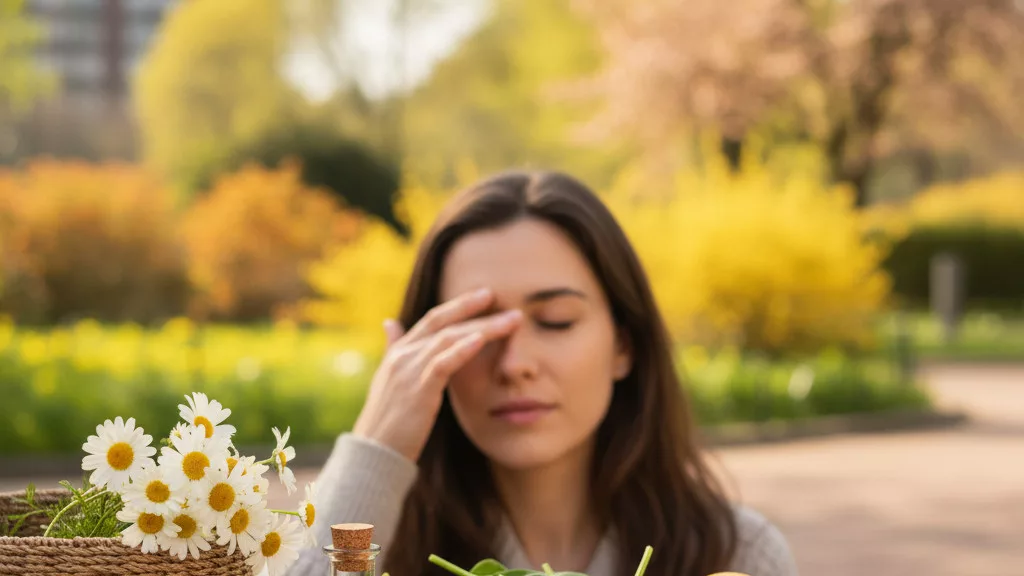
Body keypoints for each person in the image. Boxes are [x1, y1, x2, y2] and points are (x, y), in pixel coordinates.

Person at [286, 171, 798, 576]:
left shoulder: (735, 556)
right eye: (478, 331)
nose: (515, 365)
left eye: (556, 322)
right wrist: (375, 450)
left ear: (624, 344)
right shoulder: (380, 549)